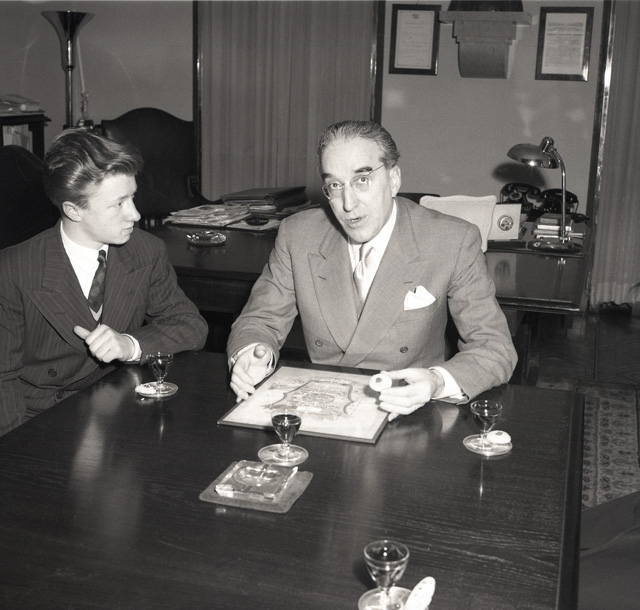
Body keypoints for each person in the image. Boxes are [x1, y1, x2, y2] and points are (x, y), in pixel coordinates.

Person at [227, 120, 517, 415]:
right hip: (323, 405)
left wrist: (436, 381)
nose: (348, 204)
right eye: (335, 185)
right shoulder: (298, 235)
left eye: (362, 180)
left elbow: (494, 347)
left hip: (410, 409)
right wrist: (253, 353)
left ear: (394, 179)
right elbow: (260, 320)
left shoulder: (452, 240)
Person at [0, 129, 208, 436]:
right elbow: (3, 379)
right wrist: (15, 452)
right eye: (118, 204)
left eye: (132, 197)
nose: (135, 214)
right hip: (40, 421)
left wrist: (130, 345)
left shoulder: (146, 251)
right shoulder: (14, 269)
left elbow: (191, 325)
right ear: (73, 210)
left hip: (118, 411)